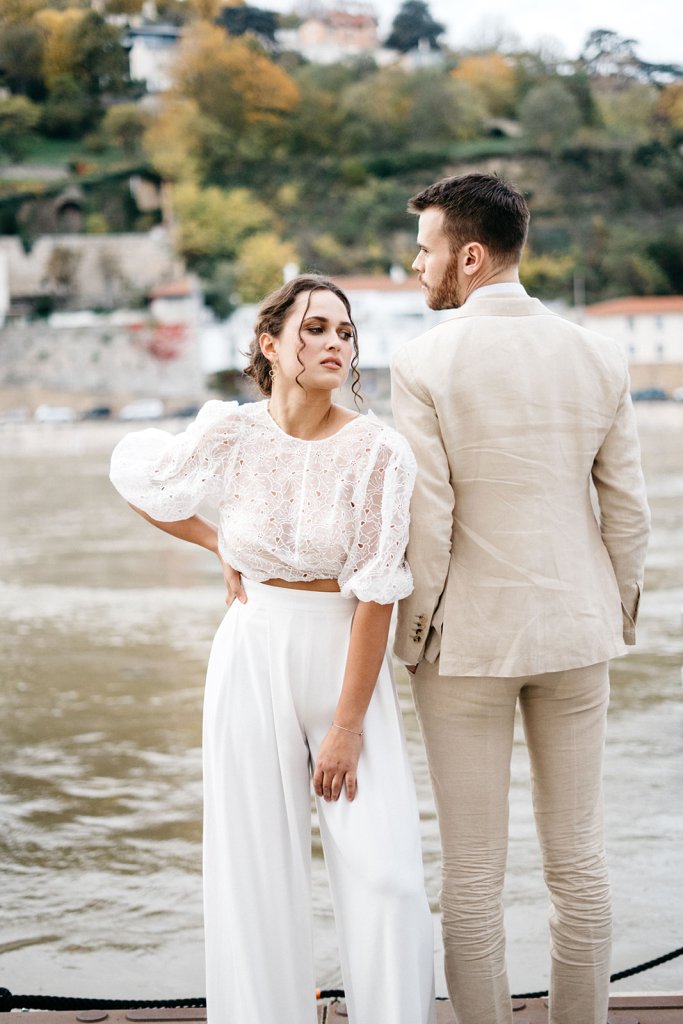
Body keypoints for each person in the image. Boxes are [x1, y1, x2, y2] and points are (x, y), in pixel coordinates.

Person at [109, 274, 435, 1024]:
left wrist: (347, 727)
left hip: (343, 662)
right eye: (315, 328)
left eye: (345, 332)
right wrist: (216, 541)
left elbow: (378, 592)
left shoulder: (379, 452)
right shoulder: (232, 432)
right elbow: (139, 478)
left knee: (386, 876)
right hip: (251, 651)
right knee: (252, 868)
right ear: (270, 344)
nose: (334, 343)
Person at [390, 173, 650, 1024]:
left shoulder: (423, 361)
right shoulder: (597, 355)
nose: (416, 264)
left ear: (468, 256)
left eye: (425, 248)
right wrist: (612, 614)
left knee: (471, 874)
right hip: (576, 633)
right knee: (579, 862)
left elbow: (429, 519)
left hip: (466, 644)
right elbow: (627, 511)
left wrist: (412, 637)